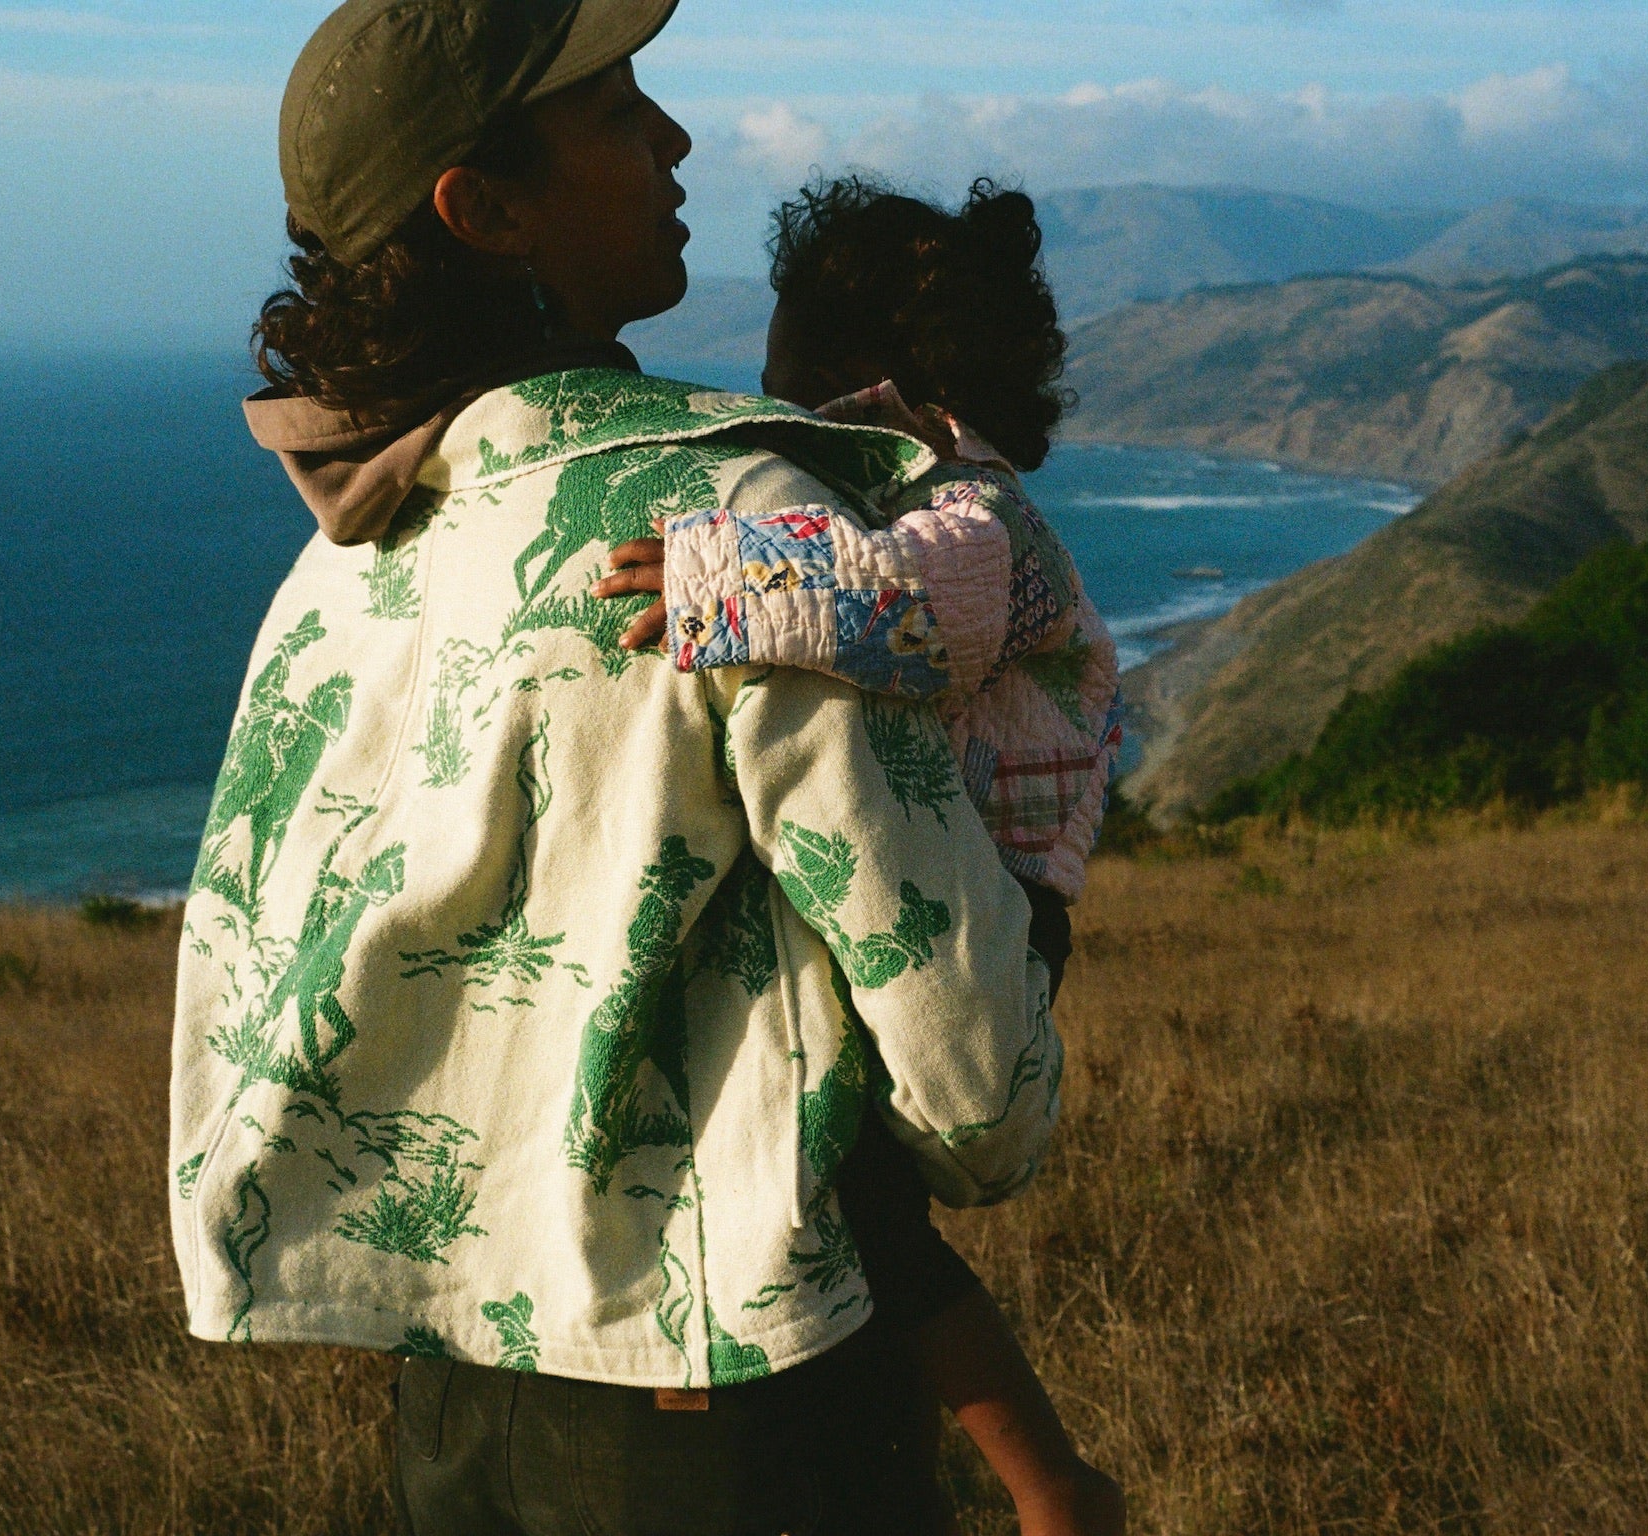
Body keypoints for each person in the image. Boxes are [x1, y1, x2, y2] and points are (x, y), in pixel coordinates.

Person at [168, 0, 1080, 1531]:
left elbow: (252, 961)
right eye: (615, 112)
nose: (676, 141)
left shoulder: (338, 567)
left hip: (454, 1394)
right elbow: (971, 1075)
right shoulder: (744, 530)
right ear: (488, 207)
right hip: (737, 1399)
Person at [592, 175, 1125, 1534]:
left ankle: (1049, 1484)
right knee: (837, 1179)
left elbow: (909, 610)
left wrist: (714, 580)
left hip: (999, 898)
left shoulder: (976, 524)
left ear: (852, 374)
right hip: (959, 877)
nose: (760, 384)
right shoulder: (941, 504)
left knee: (859, 1197)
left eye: (781, 356)